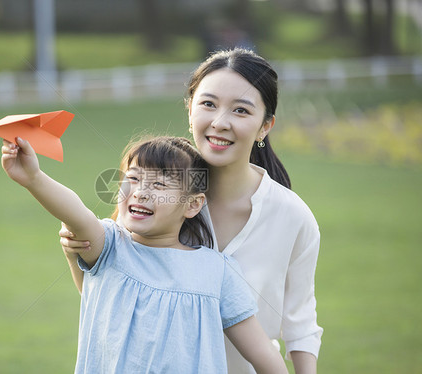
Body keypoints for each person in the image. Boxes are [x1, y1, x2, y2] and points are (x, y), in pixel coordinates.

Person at [60, 48, 323, 374]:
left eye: (241, 110)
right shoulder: (153, 203)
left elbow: (300, 325)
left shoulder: (292, 217)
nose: (220, 122)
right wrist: (76, 255)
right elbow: (115, 292)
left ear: (265, 127)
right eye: (208, 104)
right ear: (189, 109)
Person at [0, 135, 288, 373]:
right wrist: (34, 178)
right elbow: (77, 214)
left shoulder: (217, 270)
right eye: (134, 178)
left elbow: (264, 354)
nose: (140, 192)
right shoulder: (111, 245)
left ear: (192, 204)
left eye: (160, 184)